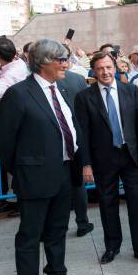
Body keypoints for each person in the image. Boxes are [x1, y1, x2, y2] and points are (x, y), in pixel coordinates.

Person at [0, 39, 89, 275]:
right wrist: (23, 171)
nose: (65, 64)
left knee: (58, 229)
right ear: (44, 61)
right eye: (60, 59)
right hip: (34, 177)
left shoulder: (60, 89)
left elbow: (68, 128)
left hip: (63, 172)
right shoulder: (19, 93)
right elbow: (5, 141)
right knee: (30, 236)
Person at [75, 51, 138, 265]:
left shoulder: (130, 90)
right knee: (107, 203)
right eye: (100, 68)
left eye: (109, 67)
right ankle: (112, 246)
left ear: (115, 67)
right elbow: (82, 133)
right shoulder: (84, 97)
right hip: (103, 159)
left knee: (135, 204)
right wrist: (86, 164)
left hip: (130, 157)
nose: (105, 72)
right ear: (94, 71)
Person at [58, 59, 95, 237]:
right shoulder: (78, 79)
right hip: (76, 136)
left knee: (70, 183)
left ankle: (64, 224)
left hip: (67, 138)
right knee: (77, 183)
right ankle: (82, 222)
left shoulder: (75, 79)